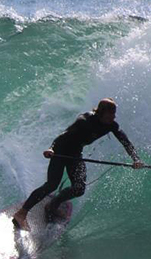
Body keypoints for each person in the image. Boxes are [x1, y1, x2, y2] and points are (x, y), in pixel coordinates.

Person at [13, 98, 143, 231]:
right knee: (52, 185)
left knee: (79, 188)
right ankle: (21, 214)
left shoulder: (111, 125)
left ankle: (52, 206)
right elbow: (63, 136)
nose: (114, 116)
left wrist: (136, 159)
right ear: (101, 112)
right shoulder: (84, 120)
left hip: (75, 154)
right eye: (111, 113)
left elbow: (124, 141)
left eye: (114, 113)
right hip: (60, 151)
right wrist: (51, 148)